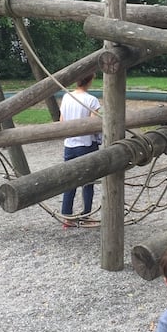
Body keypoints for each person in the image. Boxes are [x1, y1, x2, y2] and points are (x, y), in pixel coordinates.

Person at [60, 73, 102, 228]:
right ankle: (86, 214)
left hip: (69, 144)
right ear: (90, 80)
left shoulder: (66, 97)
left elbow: (62, 121)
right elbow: (93, 125)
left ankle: (67, 216)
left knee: (69, 181)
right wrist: (100, 140)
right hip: (86, 145)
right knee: (88, 182)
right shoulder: (92, 100)